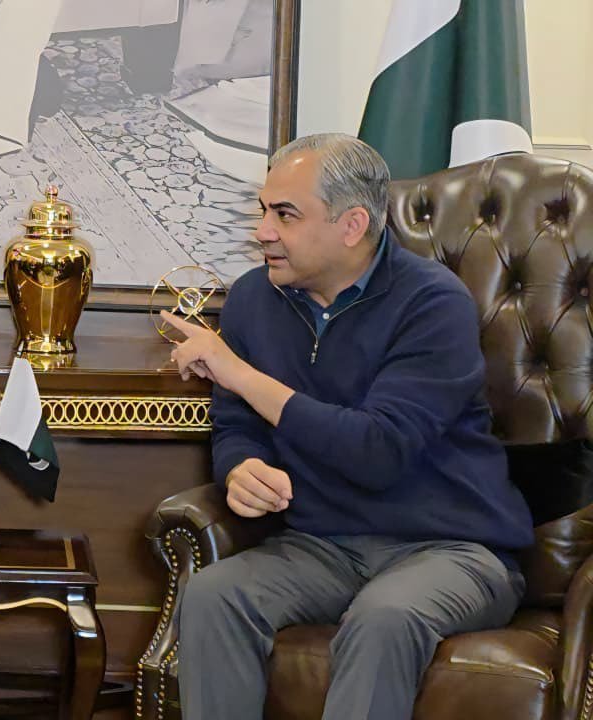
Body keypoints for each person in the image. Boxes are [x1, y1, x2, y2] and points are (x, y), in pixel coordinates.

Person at [160, 133, 533, 720]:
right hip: (321, 545)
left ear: (353, 225)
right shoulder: (254, 299)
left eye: (285, 215)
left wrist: (238, 374)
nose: (263, 231)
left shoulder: (433, 303)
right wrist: (241, 468)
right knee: (215, 595)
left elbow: (378, 451)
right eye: (263, 210)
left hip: (453, 548)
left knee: (385, 618)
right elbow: (236, 423)